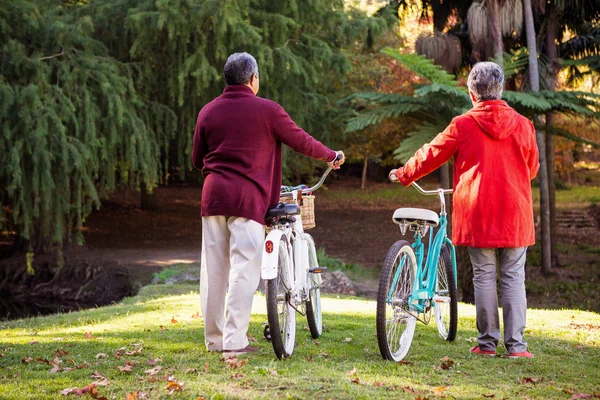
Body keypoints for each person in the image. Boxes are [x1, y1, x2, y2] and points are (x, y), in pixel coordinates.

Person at [191, 52, 345, 356]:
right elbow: (301, 140)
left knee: (213, 271)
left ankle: (214, 340)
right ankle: (234, 342)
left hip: (213, 197)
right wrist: (331, 155)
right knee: (244, 269)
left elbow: (198, 160)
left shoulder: (207, 111)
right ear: (253, 79)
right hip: (247, 199)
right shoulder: (268, 110)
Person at [389, 61, 539, 359]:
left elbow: (431, 153)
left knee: (484, 275)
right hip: (514, 212)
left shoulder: (463, 124)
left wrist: (404, 174)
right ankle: (517, 348)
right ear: (500, 90)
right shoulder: (523, 124)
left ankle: (486, 344)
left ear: (473, 94)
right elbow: (532, 168)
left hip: (478, 211)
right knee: (513, 276)